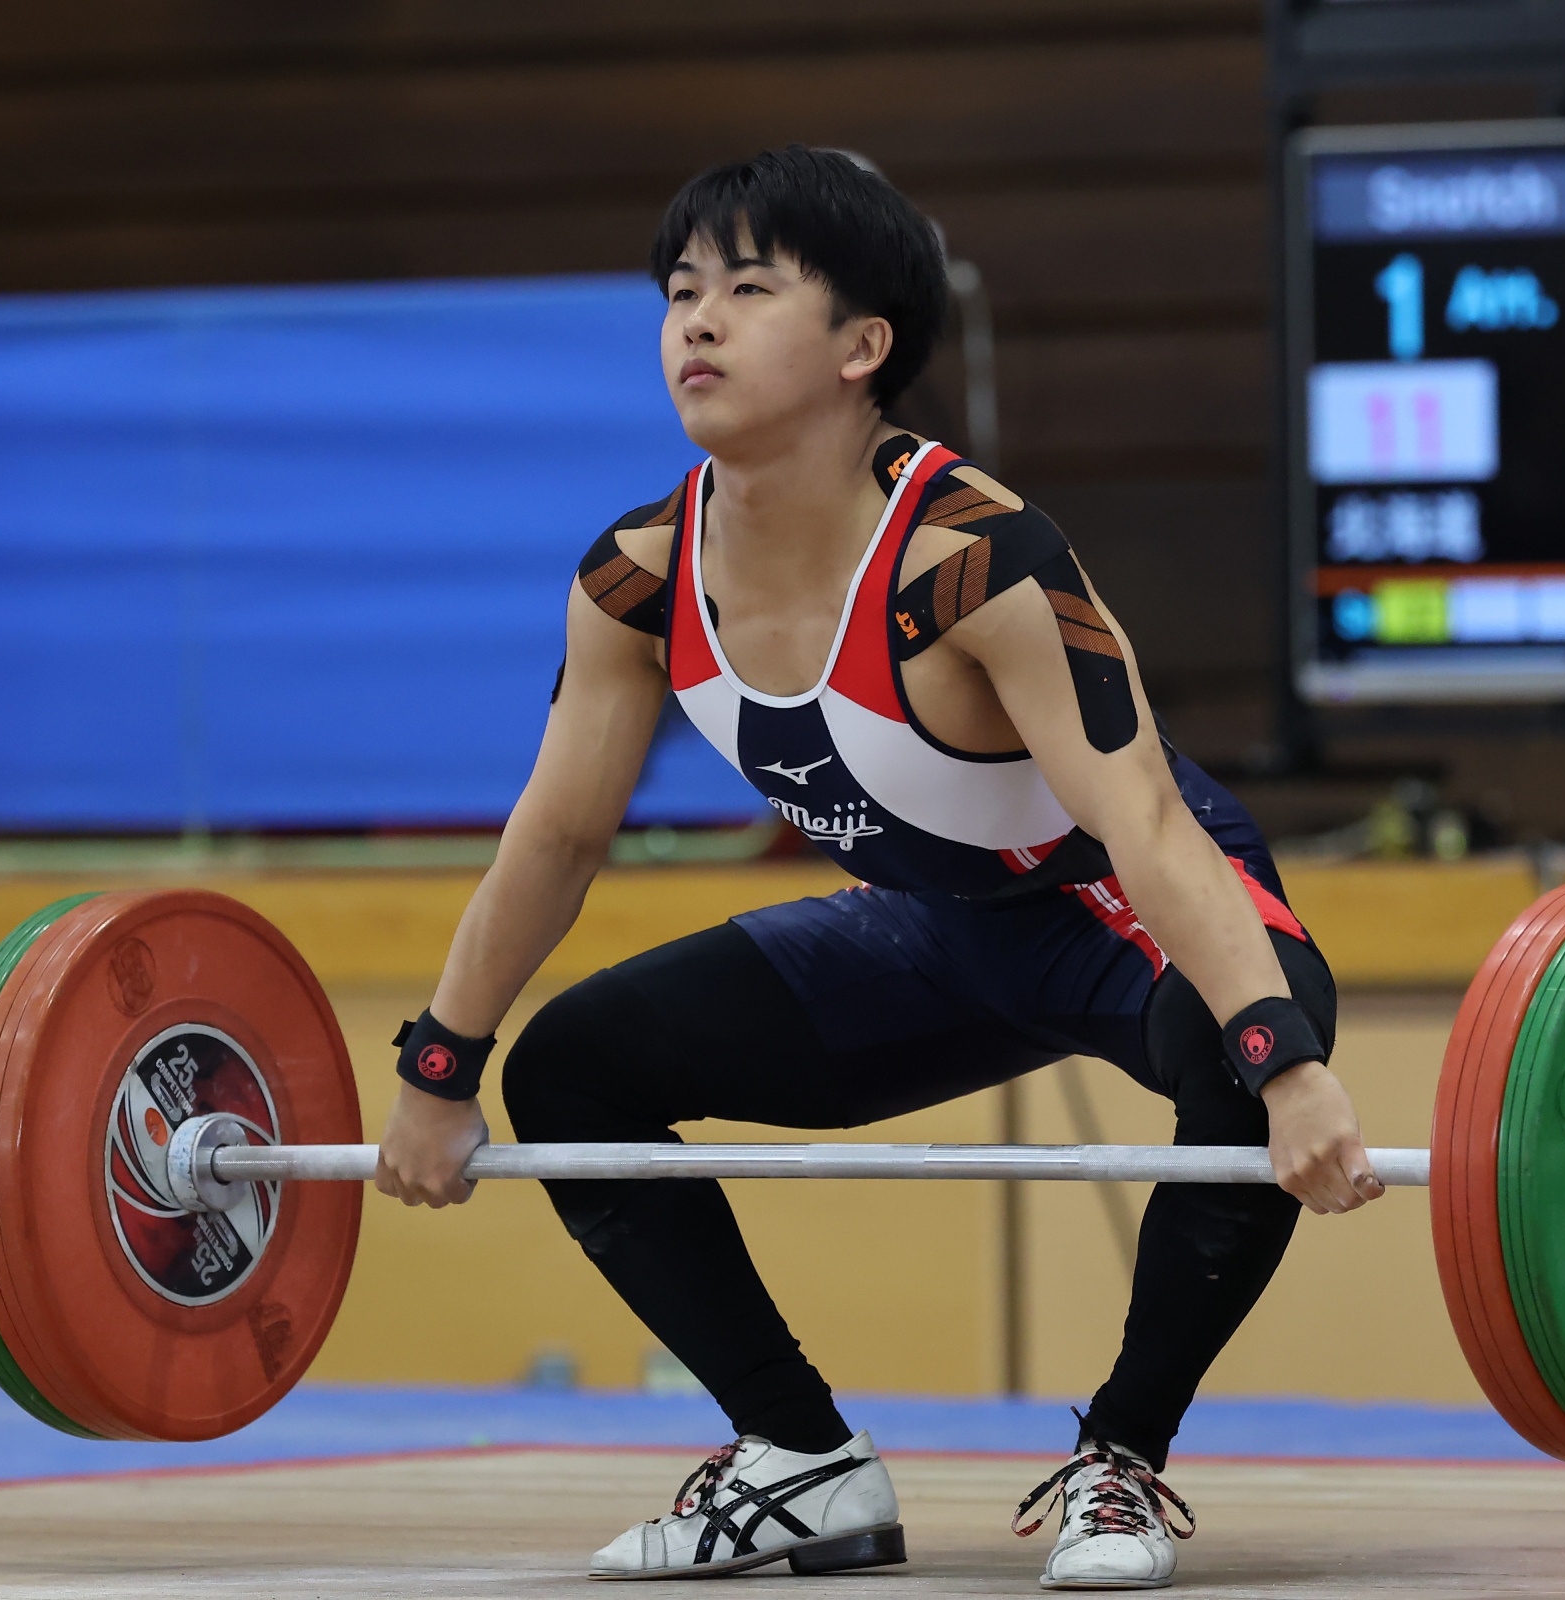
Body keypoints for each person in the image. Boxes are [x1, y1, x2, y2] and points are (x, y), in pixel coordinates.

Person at [374, 145, 1382, 1589]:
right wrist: (439, 1063)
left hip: (1112, 910)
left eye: (748, 289)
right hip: (926, 930)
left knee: (1252, 1038)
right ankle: (800, 1458)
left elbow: (1149, 826)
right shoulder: (637, 577)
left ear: (862, 348)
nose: (697, 321)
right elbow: (557, 837)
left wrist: (1286, 1064)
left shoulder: (976, 561)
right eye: (681, 291)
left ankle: (1119, 1461)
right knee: (575, 1070)